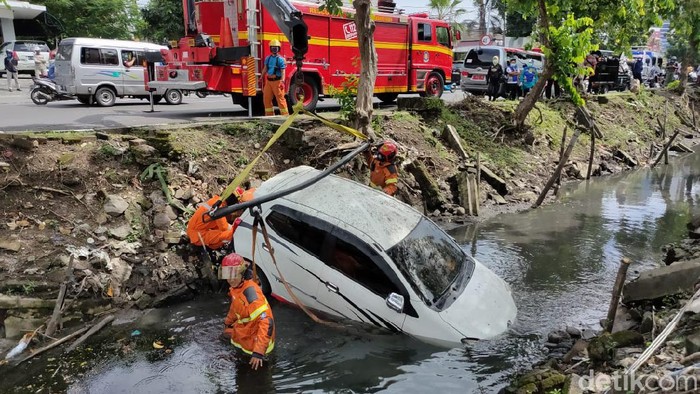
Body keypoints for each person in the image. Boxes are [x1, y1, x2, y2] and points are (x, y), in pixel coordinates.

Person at [221, 253, 275, 370]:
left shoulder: (251, 295)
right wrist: (227, 323)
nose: (230, 279)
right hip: (246, 337)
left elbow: (267, 322)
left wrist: (258, 353)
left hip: (256, 349)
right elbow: (235, 308)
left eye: (233, 274)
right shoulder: (236, 289)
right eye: (227, 274)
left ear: (242, 273)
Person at [186, 186, 255, 251]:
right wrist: (238, 228)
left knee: (221, 229)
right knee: (230, 234)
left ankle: (211, 243)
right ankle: (211, 247)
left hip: (194, 230)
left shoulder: (216, 201)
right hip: (197, 236)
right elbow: (224, 227)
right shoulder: (218, 207)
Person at [262, 39, 289, 116]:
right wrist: (261, 77)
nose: (274, 49)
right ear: (270, 48)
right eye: (273, 48)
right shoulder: (268, 58)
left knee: (280, 99)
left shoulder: (280, 59)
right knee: (266, 98)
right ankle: (269, 115)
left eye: (276, 48)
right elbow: (265, 68)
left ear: (278, 49)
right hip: (269, 81)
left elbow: (283, 71)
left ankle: (285, 116)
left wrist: (282, 82)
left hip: (277, 82)